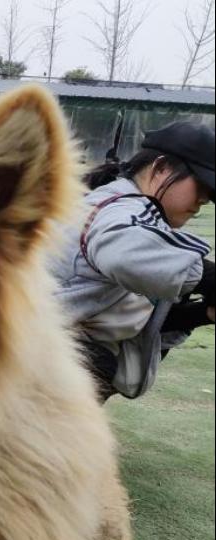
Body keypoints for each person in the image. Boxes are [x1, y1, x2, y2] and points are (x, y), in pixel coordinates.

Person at [51, 121, 215, 401]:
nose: (204, 199)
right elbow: (122, 254)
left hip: (36, 363)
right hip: (30, 367)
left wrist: (203, 314)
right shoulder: (119, 208)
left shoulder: (135, 214)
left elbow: (132, 320)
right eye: (200, 184)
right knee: (95, 359)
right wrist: (208, 278)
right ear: (160, 168)